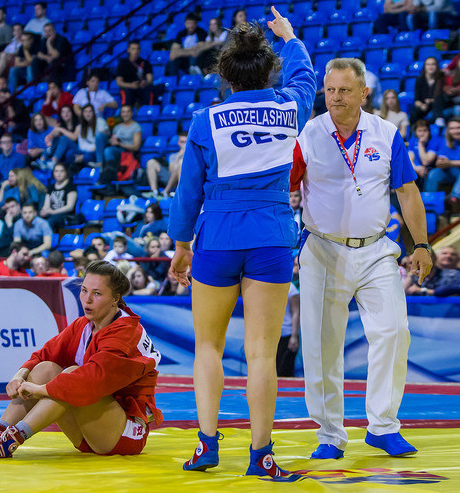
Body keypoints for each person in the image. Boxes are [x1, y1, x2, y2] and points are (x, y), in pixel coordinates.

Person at [168, 10, 316, 476]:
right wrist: (289, 39)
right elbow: (306, 74)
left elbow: (188, 191)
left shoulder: (204, 120)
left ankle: (207, 446)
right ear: (268, 69)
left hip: (218, 235)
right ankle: (261, 455)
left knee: (208, 347)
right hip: (272, 234)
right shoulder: (291, 105)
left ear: (225, 75)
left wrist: (181, 246)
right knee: (261, 352)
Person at [290, 56, 432, 460]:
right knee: (321, 344)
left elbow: (406, 191)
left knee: (393, 331)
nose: (335, 97)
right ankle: (330, 434)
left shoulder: (386, 133)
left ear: (364, 92)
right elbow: (284, 186)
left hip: (376, 249)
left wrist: (420, 244)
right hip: (321, 248)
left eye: (344, 90)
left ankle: (383, 426)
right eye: (330, 90)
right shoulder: (308, 135)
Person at [0, 261, 163, 459]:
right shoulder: (83, 325)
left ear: (115, 298)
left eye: (97, 294)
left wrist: (39, 390)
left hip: (125, 435)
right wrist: (19, 376)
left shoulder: (126, 331)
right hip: (89, 433)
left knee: (71, 375)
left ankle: (11, 440)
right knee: (45, 369)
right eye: (84, 291)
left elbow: (91, 380)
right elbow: (43, 355)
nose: (87, 299)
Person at [101, 104, 142, 187]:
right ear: (121, 114)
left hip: (128, 154)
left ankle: (108, 176)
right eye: (123, 112)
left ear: (131, 113)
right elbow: (113, 141)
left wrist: (119, 144)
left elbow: (136, 147)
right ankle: (107, 172)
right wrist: (112, 140)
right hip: (117, 152)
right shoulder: (117, 127)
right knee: (103, 140)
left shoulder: (136, 127)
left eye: (128, 111)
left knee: (109, 151)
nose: (125, 114)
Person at [116, 41, 159, 107]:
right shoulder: (123, 63)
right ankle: (126, 112)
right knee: (126, 91)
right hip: (128, 88)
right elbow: (119, 82)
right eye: (133, 49)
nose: (135, 51)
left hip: (141, 88)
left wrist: (145, 83)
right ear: (128, 50)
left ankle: (147, 111)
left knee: (150, 89)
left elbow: (150, 79)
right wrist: (131, 85)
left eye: (137, 49)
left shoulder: (145, 63)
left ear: (139, 50)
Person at [145, 131, 187, 196]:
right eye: (182, 142)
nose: (184, 145)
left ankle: (167, 192)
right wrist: (178, 156)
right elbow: (171, 170)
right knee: (151, 162)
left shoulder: (193, 156)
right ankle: (154, 192)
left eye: (185, 142)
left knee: (180, 163)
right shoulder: (173, 156)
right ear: (178, 142)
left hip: (186, 180)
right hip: (171, 178)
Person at [40, 163, 77, 231]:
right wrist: (43, 211)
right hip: (52, 214)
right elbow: (46, 205)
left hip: (64, 215)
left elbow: (70, 207)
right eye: (56, 171)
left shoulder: (71, 186)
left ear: (66, 172)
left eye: (61, 171)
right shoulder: (51, 187)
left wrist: (54, 212)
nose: (59, 173)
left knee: (51, 221)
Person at [275, 278, 299, 377]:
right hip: (270, 335)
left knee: (284, 371)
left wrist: (294, 336)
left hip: (286, 335)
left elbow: (296, 312)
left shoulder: (291, 289)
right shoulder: (266, 285)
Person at [410, 56, 444, 125]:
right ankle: (415, 132)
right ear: (425, 67)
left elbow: (443, 97)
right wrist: (421, 105)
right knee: (414, 112)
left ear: (437, 66)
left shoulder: (441, 79)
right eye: (428, 64)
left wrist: (432, 100)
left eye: (433, 64)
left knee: (432, 114)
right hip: (424, 106)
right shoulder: (420, 80)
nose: (430, 66)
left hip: (437, 105)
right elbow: (416, 100)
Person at [407, 119, 438, 187]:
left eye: (425, 130)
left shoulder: (434, 141)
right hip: (417, 167)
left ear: (429, 131)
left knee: (427, 172)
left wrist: (421, 144)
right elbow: (410, 159)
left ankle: (426, 196)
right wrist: (416, 168)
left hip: (431, 167)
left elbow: (426, 161)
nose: (422, 133)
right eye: (419, 131)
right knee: (406, 170)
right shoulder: (413, 140)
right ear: (415, 132)